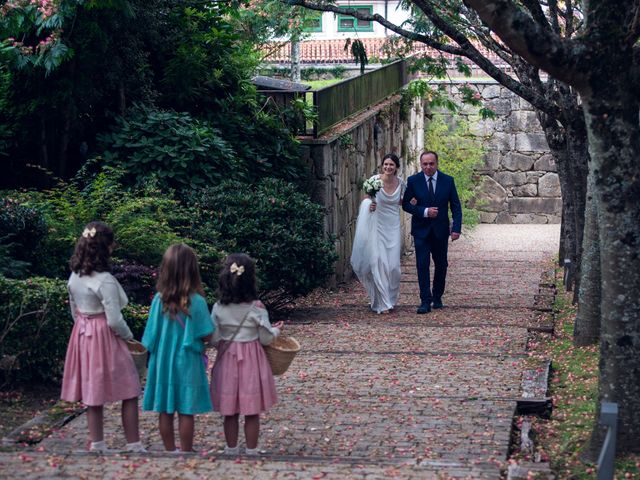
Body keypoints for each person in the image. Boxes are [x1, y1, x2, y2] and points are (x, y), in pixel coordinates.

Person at [60, 221, 145, 453]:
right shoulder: (105, 280)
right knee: (130, 387)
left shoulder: (75, 275)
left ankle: (97, 443)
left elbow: (73, 307)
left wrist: (81, 325)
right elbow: (114, 319)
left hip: (82, 332)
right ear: (105, 247)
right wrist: (129, 337)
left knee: (92, 388)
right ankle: (133, 443)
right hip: (103, 333)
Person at [142, 243, 214, 453]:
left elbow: (150, 336)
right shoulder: (197, 301)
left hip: (162, 361)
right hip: (188, 361)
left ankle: (169, 449)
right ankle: (186, 449)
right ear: (192, 270)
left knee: (165, 408)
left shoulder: (158, 300)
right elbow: (207, 333)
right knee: (186, 409)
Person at [209, 253, 283, 456]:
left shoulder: (218, 307)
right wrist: (277, 330)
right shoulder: (257, 308)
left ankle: (230, 447)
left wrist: (224, 343)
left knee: (229, 410)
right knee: (251, 410)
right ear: (251, 279)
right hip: (251, 360)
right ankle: (252, 449)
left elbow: (214, 338)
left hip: (227, 360)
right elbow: (266, 338)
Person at [402, 151, 462, 314]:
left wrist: (456, 228)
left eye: (431, 164)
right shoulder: (413, 181)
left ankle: (437, 296)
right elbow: (406, 204)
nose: (428, 167)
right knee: (422, 265)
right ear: (421, 165)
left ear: (437, 163)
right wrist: (424, 211)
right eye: (425, 164)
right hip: (421, 230)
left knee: (441, 265)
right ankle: (425, 301)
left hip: (441, 231)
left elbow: (455, 206)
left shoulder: (448, 181)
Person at [350, 153, 405, 314]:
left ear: (396, 168)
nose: (388, 167)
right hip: (377, 225)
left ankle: (391, 298)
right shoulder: (374, 181)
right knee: (378, 262)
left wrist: (413, 202)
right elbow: (366, 200)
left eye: (391, 165)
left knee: (394, 266)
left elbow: (402, 202)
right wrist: (370, 205)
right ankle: (382, 302)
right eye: (386, 164)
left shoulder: (401, 184)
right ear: (382, 165)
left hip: (393, 226)